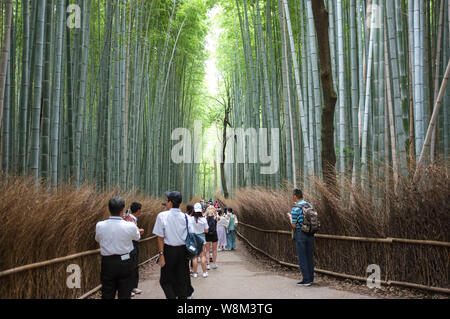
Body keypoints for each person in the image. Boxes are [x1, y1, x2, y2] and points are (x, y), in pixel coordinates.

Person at [95, 196, 141, 299]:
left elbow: (97, 239)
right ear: (123, 210)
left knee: (107, 293)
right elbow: (137, 237)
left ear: (109, 209)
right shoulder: (129, 226)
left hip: (107, 262)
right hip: (125, 261)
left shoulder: (100, 225)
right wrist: (132, 222)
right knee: (125, 293)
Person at [152, 191, 193, 299]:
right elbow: (191, 234)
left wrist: (161, 255)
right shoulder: (186, 217)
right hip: (183, 252)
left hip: (168, 251)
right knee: (182, 279)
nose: (166, 202)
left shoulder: (162, 216)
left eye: (167, 200)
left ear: (170, 202)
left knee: (165, 281)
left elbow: (160, 237)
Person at [287, 188, 315, 287]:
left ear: (295, 196)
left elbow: (294, 225)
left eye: (292, 195)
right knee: (309, 257)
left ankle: (306, 280)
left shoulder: (295, 209)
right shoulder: (310, 206)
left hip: (301, 234)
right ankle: (311, 279)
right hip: (311, 234)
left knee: (302, 257)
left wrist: (290, 217)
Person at [128, 202, 144, 295]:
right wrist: (139, 230)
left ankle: (133, 287)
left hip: (134, 244)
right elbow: (135, 233)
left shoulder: (133, 219)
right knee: (131, 266)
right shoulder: (129, 219)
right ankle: (129, 288)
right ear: (138, 210)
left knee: (134, 265)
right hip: (131, 244)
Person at [190, 203, 209, 278]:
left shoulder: (191, 219)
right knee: (202, 256)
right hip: (202, 238)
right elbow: (207, 231)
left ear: (194, 210)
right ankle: (204, 273)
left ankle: (195, 273)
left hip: (193, 238)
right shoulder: (204, 219)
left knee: (194, 257)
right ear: (201, 210)